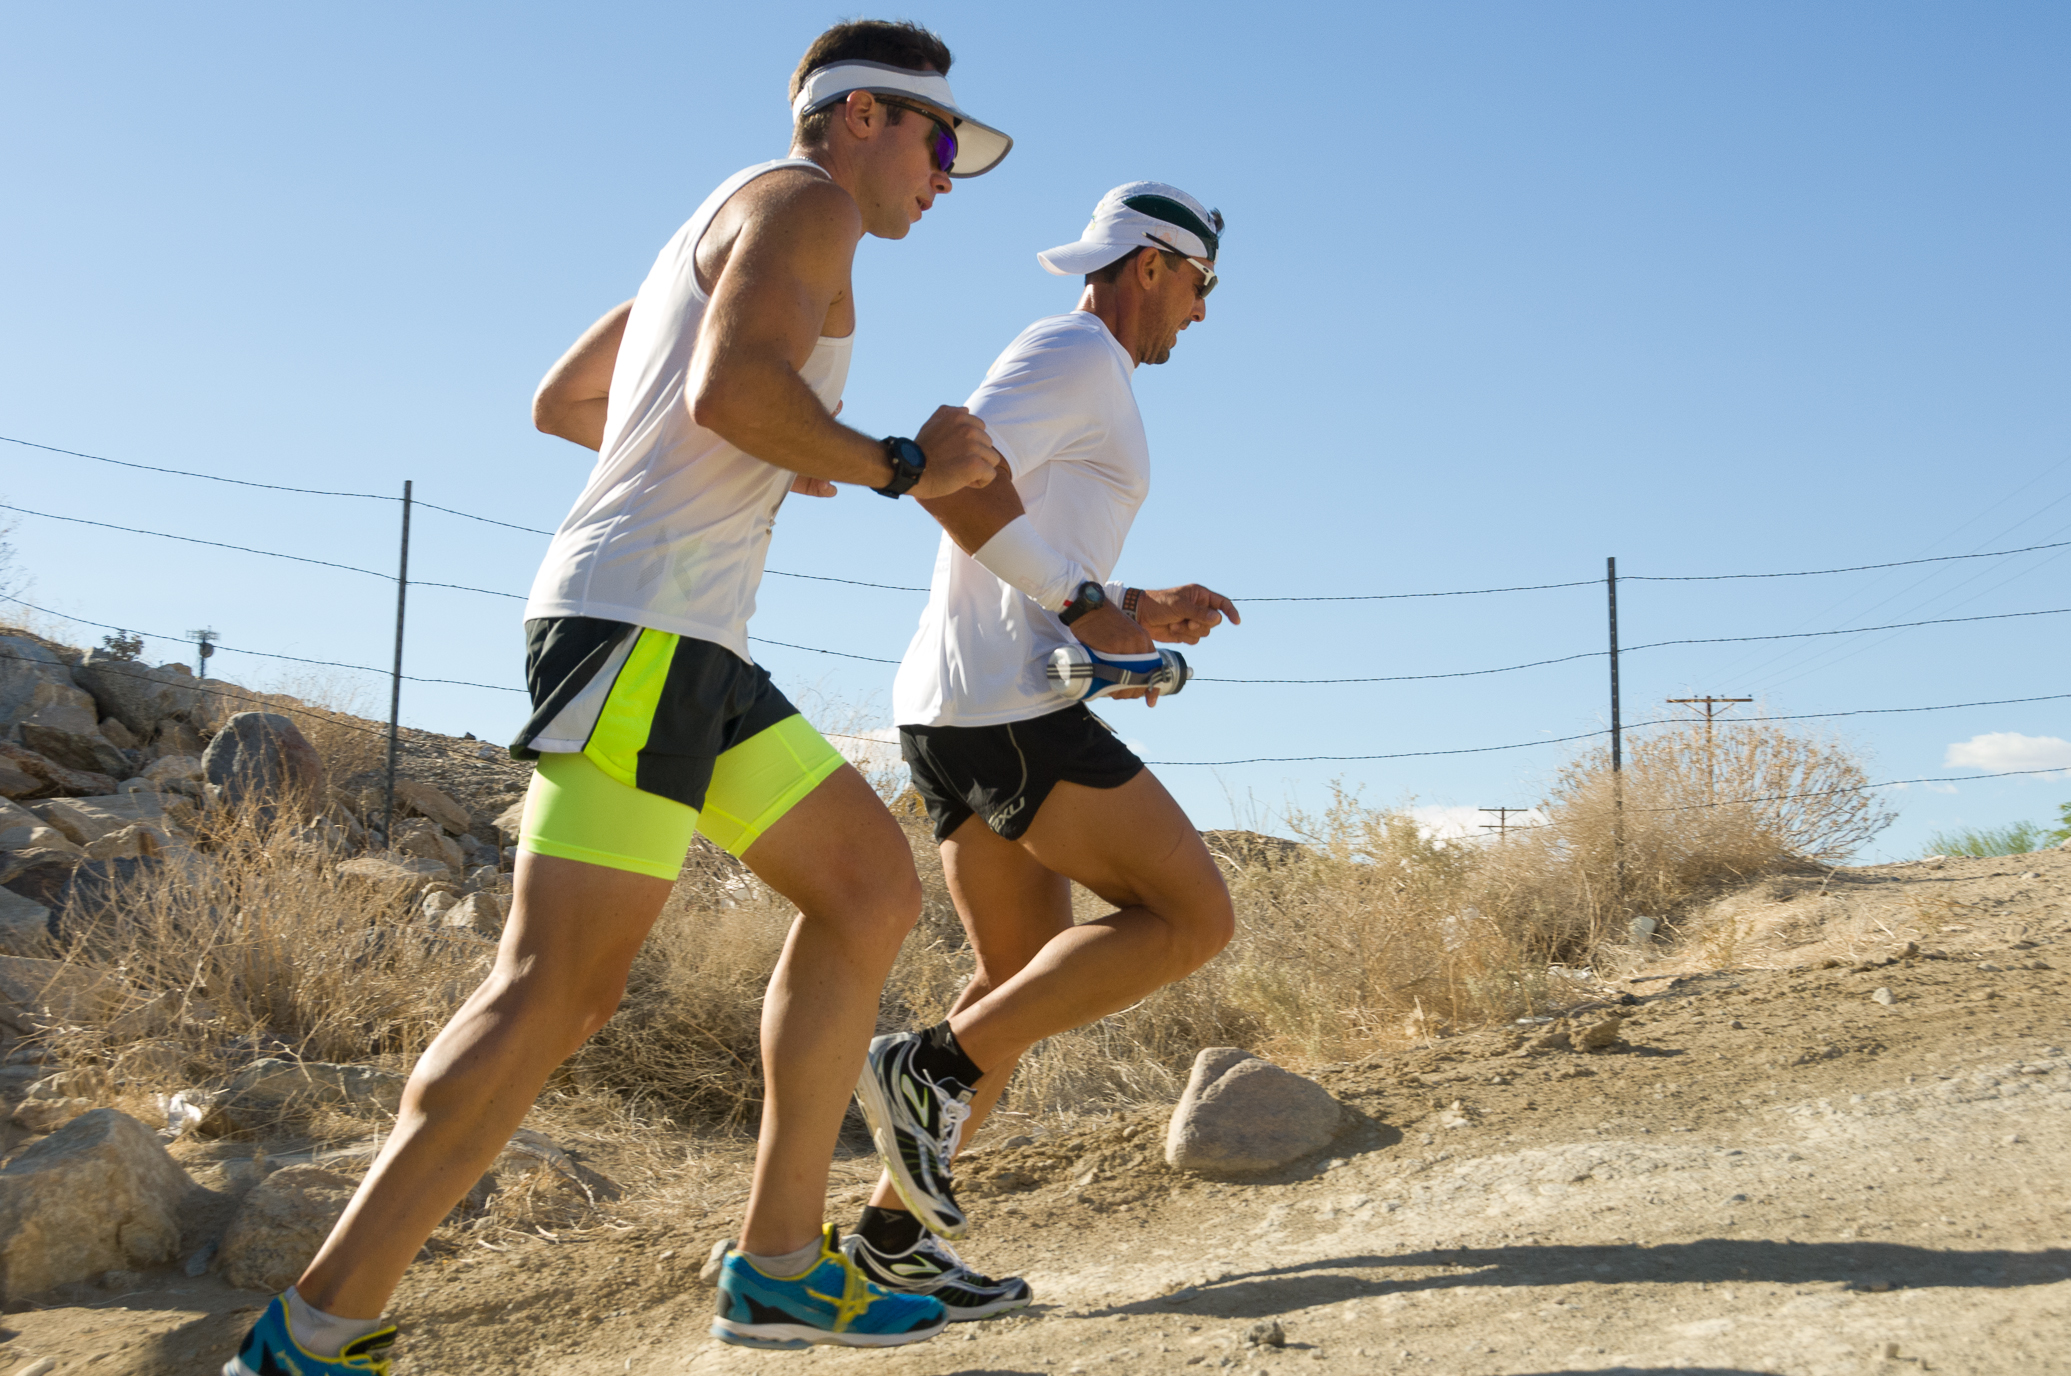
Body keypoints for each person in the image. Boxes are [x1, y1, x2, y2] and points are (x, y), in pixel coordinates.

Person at [225, 20, 1015, 1372]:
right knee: (554, 991)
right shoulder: (805, 202)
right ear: (859, 118)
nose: (949, 177)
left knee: (869, 887)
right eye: (944, 143)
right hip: (641, 630)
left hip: (677, 637)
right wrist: (889, 462)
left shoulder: (723, 216)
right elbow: (724, 390)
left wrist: (775, 445)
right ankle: (309, 1333)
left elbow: (570, 398)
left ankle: (774, 1267)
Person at [842, 183, 1241, 1318]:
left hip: (958, 700)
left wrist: (1127, 600)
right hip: (1006, 700)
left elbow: (1016, 515)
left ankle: (886, 1237)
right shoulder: (1071, 348)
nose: (1202, 316)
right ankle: (918, 1066)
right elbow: (944, 464)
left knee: (1010, 993)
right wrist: (1078, 603)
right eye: (1203, 287)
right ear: (1154, 264)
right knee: (1193, 917)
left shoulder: (1083, 365)